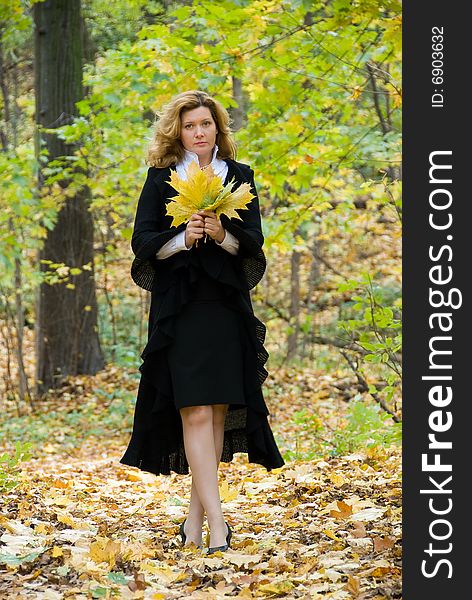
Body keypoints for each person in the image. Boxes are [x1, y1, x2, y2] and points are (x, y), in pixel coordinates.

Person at [119, 90, 285, 554]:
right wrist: (183, 236)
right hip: (180, 308)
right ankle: (217, 525)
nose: (198, 133)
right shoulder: (160, 180)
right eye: (190, 125)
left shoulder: (240, 177)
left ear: (218, 129)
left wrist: (221, 233)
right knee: (193, 409)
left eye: (205, 125)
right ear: (179, 131)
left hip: (225, 306)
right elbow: (142, 242)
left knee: (213, 413)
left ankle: (195, 523)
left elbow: (253, 243)